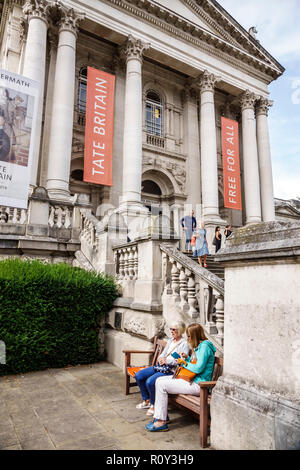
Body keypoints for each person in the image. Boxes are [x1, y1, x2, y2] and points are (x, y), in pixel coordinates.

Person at [145, 323, 216, 432]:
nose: (187, 339)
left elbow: (198, 368)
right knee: (158, 381)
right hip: (192, 380)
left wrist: (183, 362)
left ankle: (161, 421)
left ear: (195, 335)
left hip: (199, 385)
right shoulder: (199, 346)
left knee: (162, 384)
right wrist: (186, 359)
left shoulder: (205, 346)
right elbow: (195, 363)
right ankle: (161, 417)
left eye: (189, 336)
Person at [135, 321, 189, 417]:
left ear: (180, 330)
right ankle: (146, 400)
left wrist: (166, 361)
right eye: (171, 329)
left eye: (174, 329)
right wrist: (160, 358)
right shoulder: (171, 340)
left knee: (150, 382)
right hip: (161, 366)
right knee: (139, 375)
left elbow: (181, 361)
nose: (171, 331)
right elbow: (164, 353)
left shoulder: (184, 344)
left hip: (171, 370)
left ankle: (154, 404)